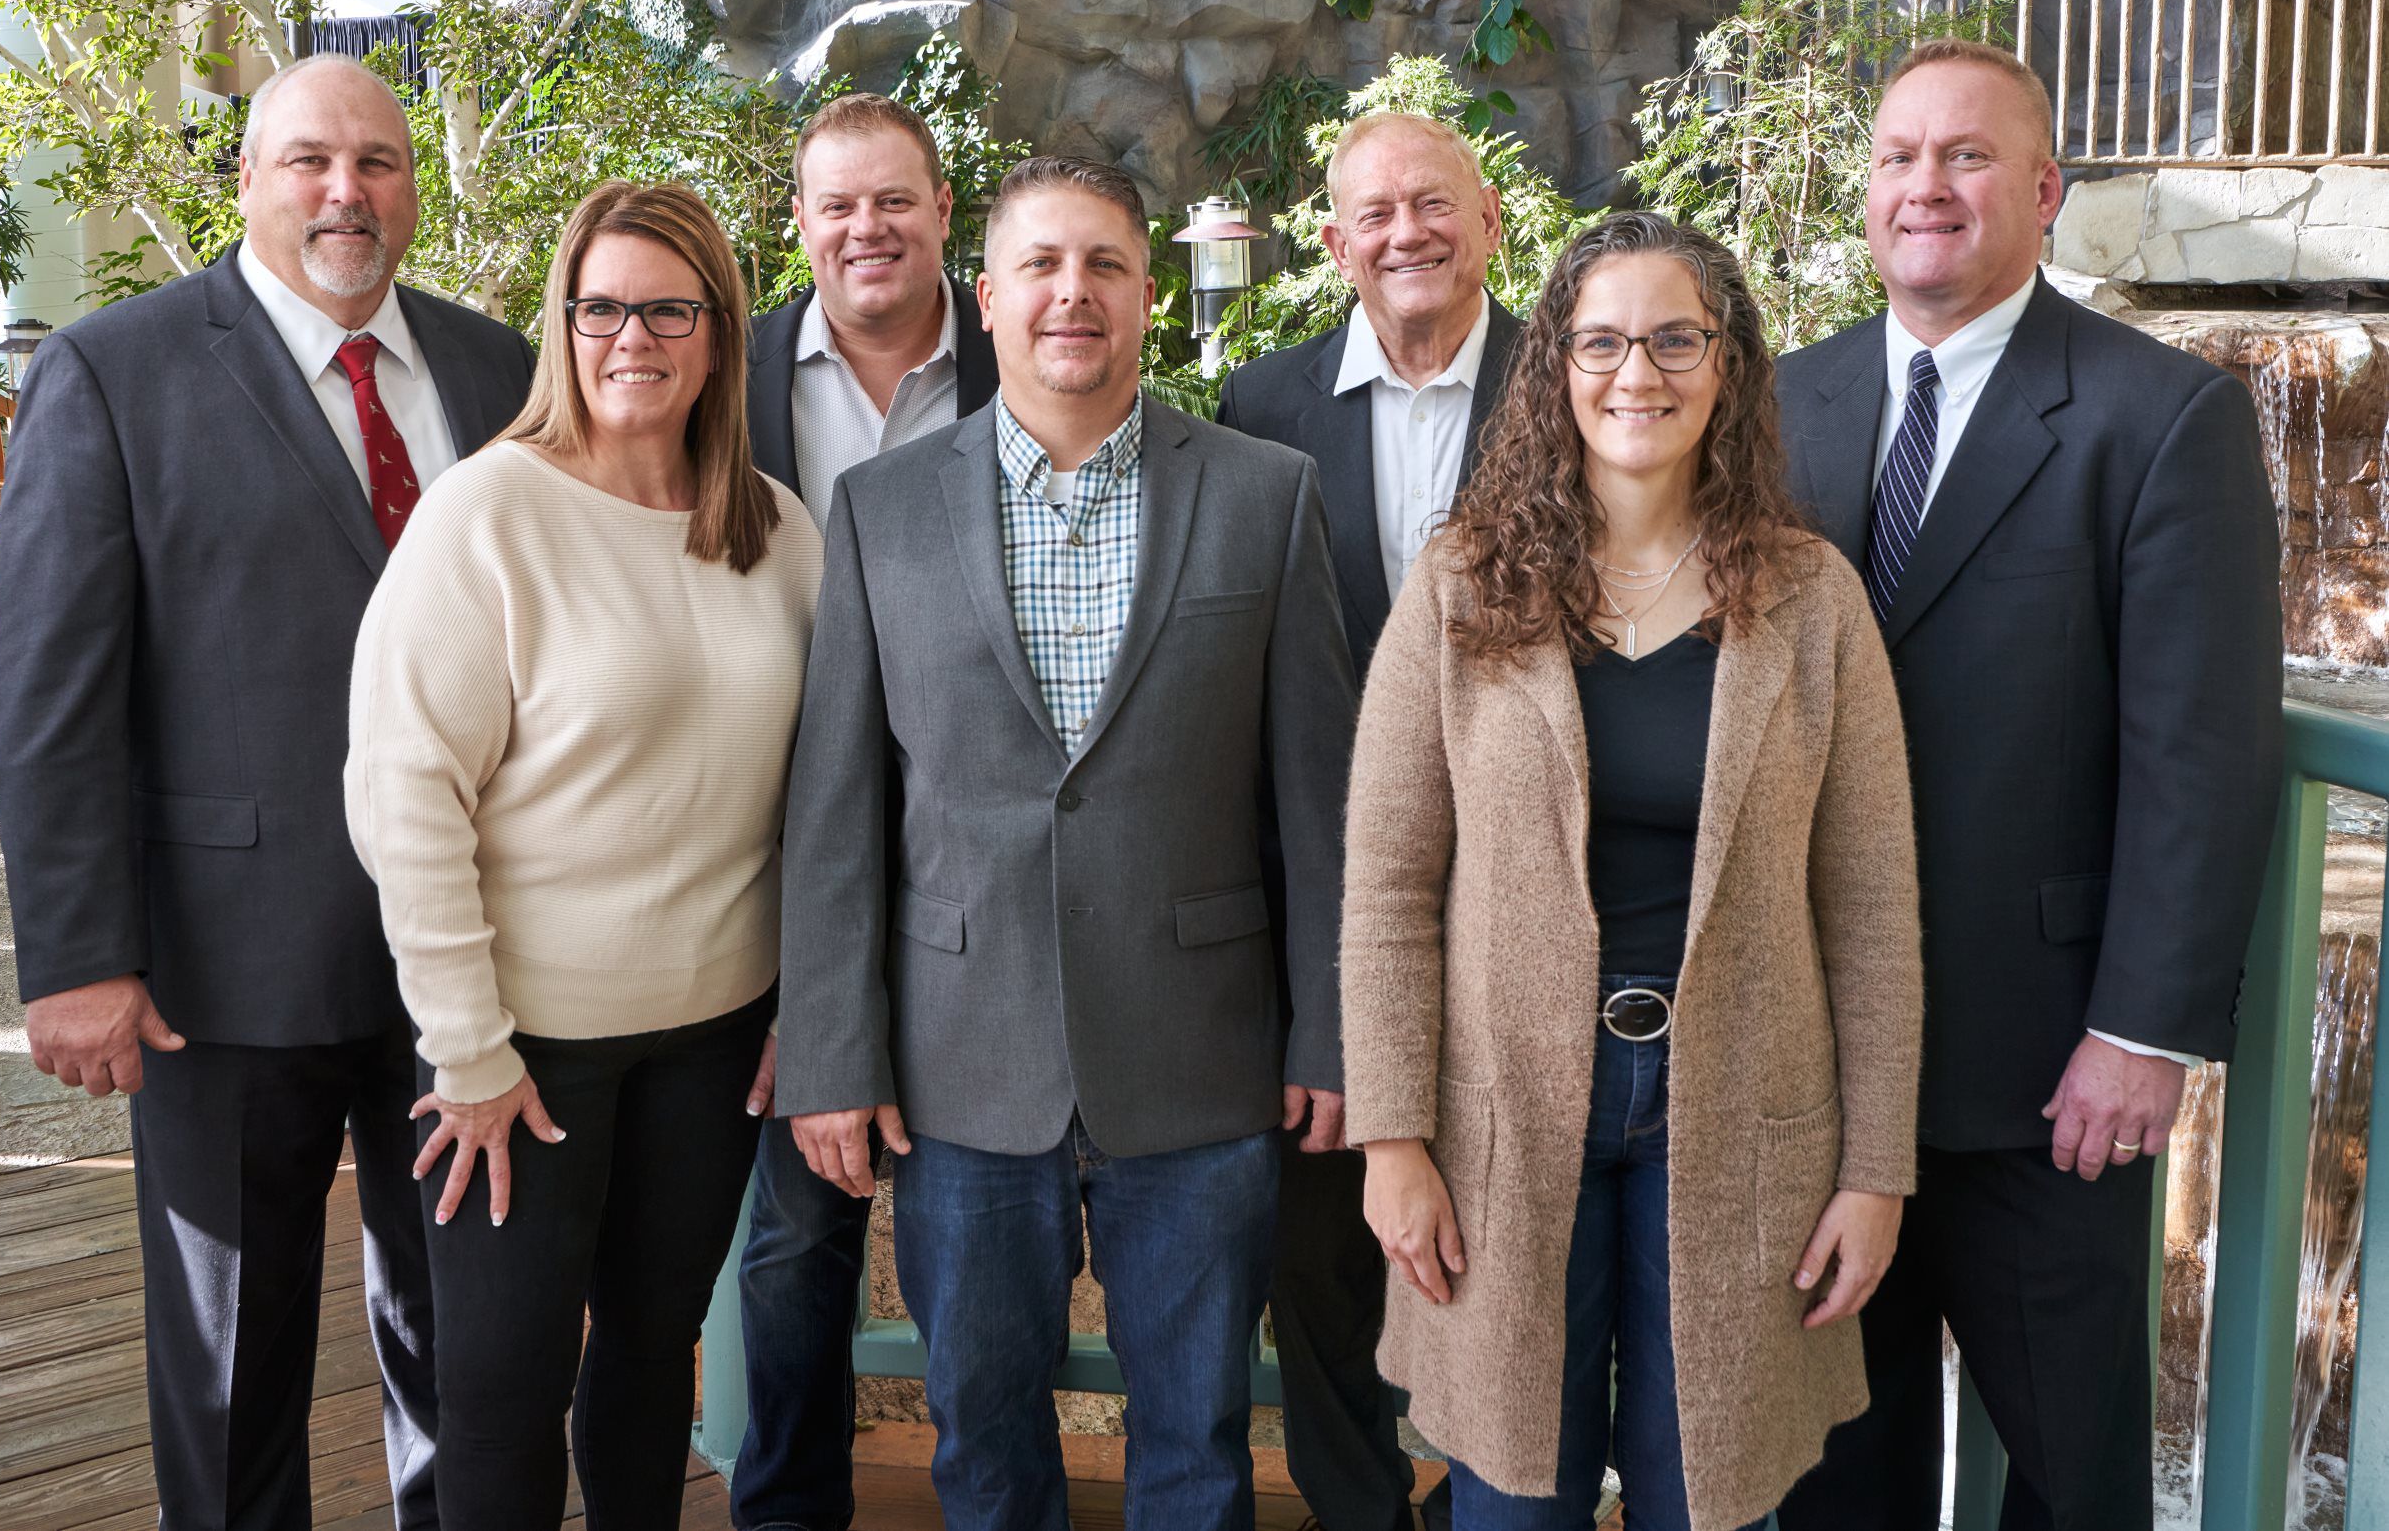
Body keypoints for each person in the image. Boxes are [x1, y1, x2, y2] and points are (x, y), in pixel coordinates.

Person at [0, 54, 531, 1530]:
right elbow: (50, 693)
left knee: (465, 1351)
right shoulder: (115, 372)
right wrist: (80, 955)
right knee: (232, 1378)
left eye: (378, 160)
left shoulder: (500, 371)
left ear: (416, 184)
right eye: (308, 160)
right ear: (245, 180)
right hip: (224, 968)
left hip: (469, 973)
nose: (345, 190)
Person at [774, 154, 1359, 1531]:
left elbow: (1321, 805)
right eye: (1040, 264)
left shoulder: (1266, 495)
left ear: (1148, 292)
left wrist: (1334, 1031)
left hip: (1199, 1065)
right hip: (962, 1069)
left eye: (1103, 263)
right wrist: (833, 1053)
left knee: (1197, 1444)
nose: (1071, 293)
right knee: (982, 1446)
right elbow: (839, 810)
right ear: (987, 296)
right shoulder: (881, 508)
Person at [1342, 211, 1924, 1531]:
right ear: (1556, 367)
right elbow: (1385, 890)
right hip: (1504, 1113)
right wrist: (1391, 1139)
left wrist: (1875, 1169)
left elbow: (1874, 915)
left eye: (1675, 338)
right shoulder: (1461, 588)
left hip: (1743, 1112)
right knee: (1510, 1503)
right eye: (1600, 341)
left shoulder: (1810, 603)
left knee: (1708, 1499)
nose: (1636, 373)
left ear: (1727, 365)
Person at [1772, 41, 2283, 1530]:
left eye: (1968, 156)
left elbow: (2204, 748)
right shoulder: (1776, 403)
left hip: (2046, 1079)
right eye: (1898, 158)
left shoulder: (2159, 415)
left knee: (2071, 1480)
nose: (1925, 185)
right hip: (1810, 1073)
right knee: (1831, 1484)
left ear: (2045, 190)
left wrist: (2141, 1030)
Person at [344, 181, 822, 1529]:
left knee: (647, 1367)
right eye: (601, 305)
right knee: (498, 1394)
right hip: (519, 1060)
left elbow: (828, 801)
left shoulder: (779, 532)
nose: (633, 335)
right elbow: (403, 796)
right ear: (562, 324)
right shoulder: (485, 515)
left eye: (669, 307)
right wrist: (468, 1049)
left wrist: (804, 998)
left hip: (717, 1037)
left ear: (719, 333)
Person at [1215, 109, 1521, 1531]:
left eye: (1433, 203)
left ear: (1491, 222)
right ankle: (1356, 1507)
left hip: (1534, 896)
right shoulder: (1258, 408)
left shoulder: (1572, 381)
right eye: (1375, 213)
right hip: (1325, 905)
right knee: (1325, 1253)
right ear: (1334, 244)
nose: (1406, 233)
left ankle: (1495, 1500)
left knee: (1522, 1234)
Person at [731, 91, 998, 1531]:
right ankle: (785, 1511)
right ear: (800, 224)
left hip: (980, 843)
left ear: (945, 209)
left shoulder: (1030, 349)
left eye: (893, 199)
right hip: (791, 844)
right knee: (794, 1236)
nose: (866, 228)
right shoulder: (738, 367)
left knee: (974, 1237)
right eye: (836, 205)